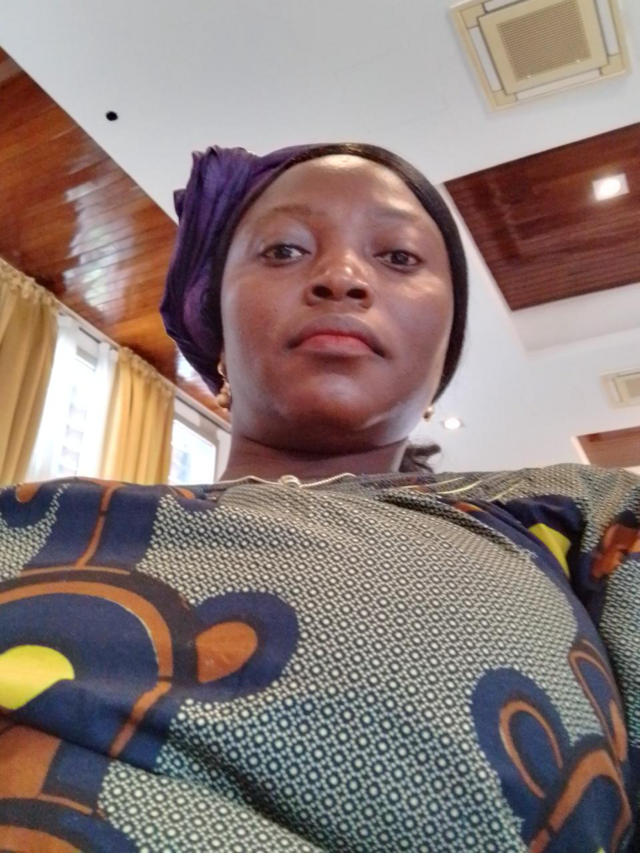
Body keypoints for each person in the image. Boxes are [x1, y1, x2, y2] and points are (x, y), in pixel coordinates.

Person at [0, 141, 638, 852]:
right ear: (215, 335)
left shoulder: (580, 509)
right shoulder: (32, 519)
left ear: (442, 360)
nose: (341, 277)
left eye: (398, 257)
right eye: (283, 250)